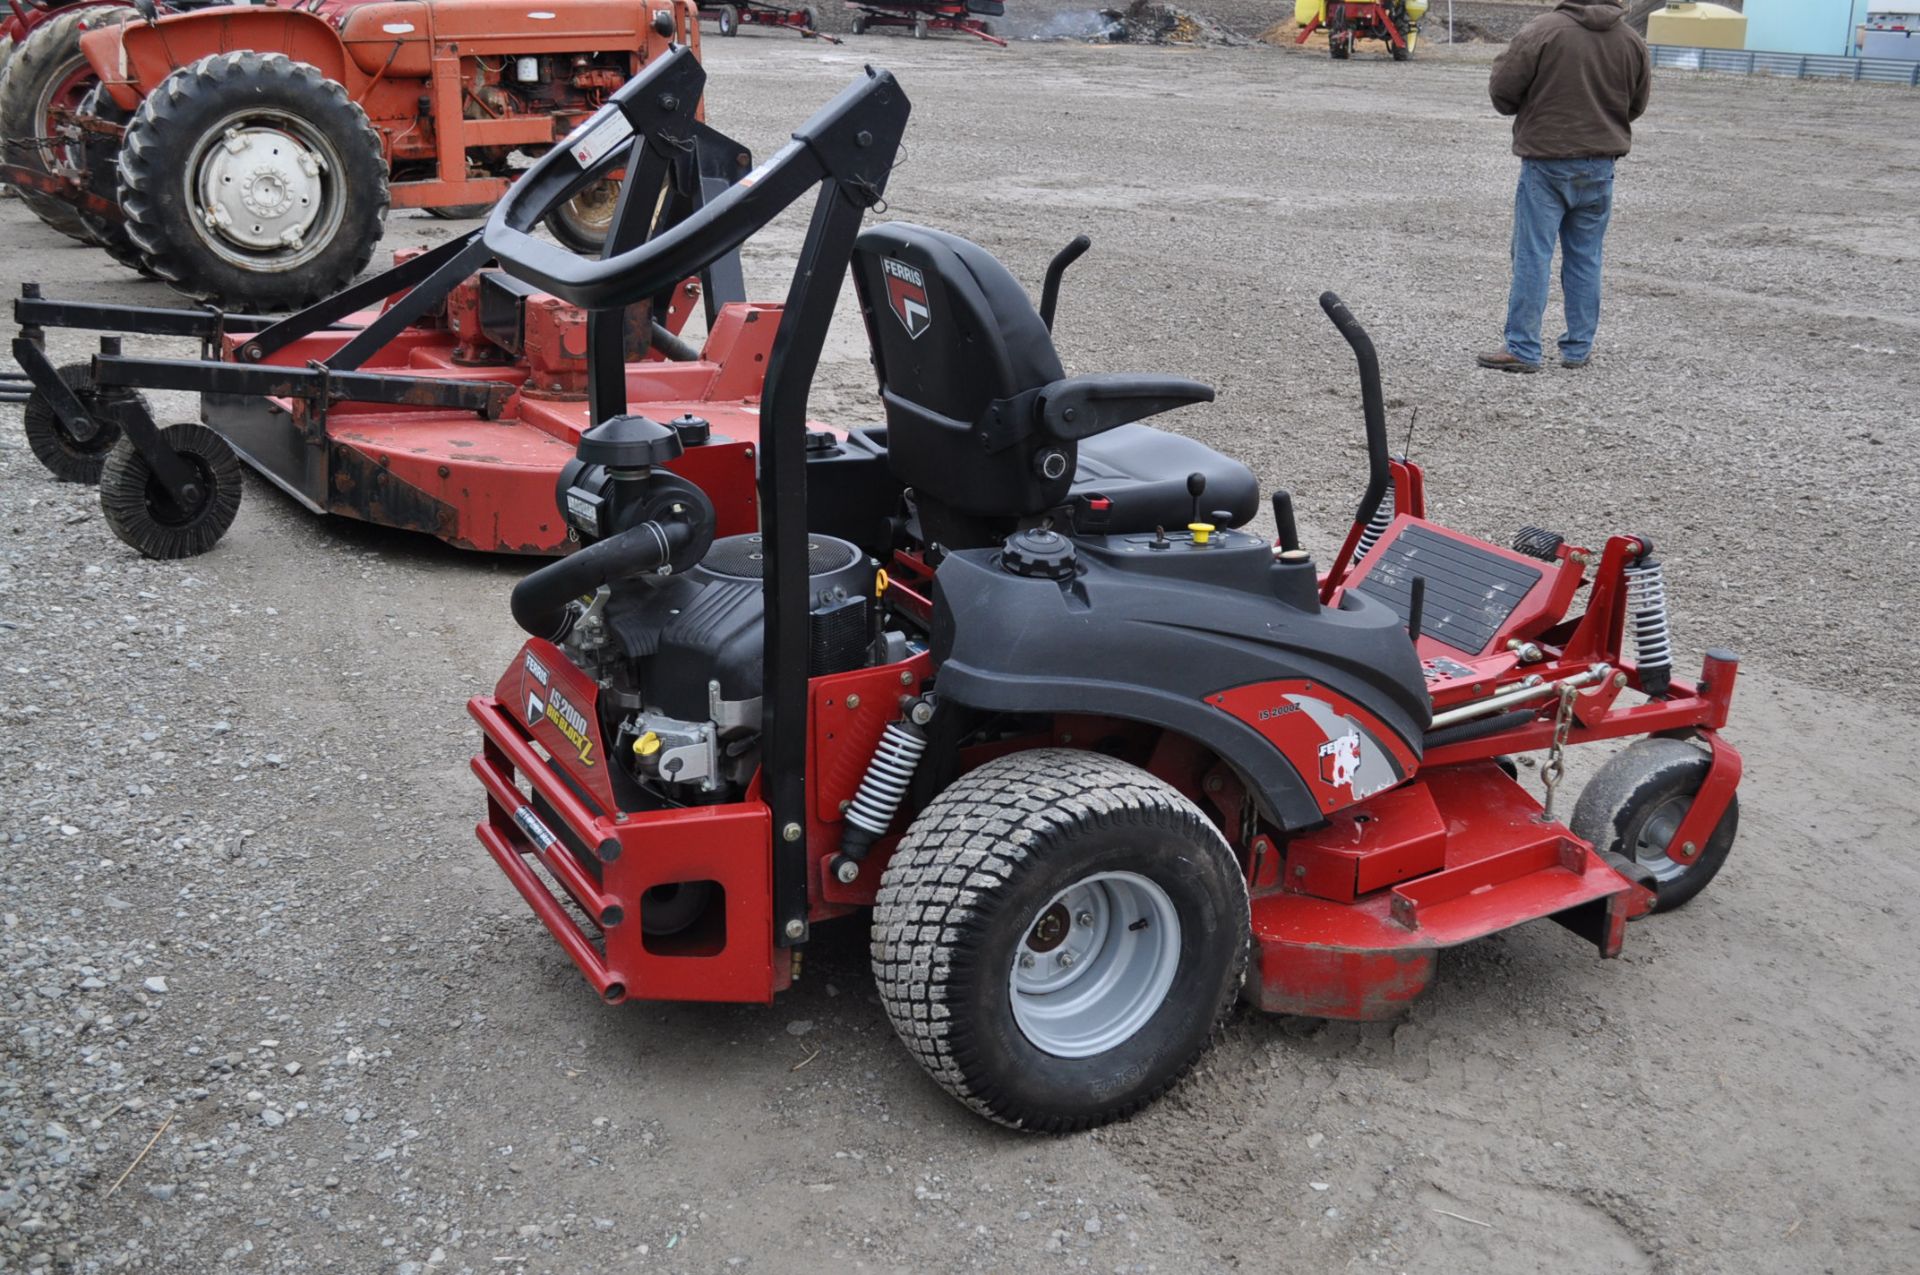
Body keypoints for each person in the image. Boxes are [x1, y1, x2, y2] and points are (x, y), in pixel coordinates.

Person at [1478, 0, 1651, 373]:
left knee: (1532, 255)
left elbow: (1503, 92)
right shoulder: (1631, 40)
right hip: (1601, 164)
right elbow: (1635, 105)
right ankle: (1578, 348)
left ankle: (1523, 347)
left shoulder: (1543, 30)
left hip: (1547, 163)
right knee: (1586, 257)